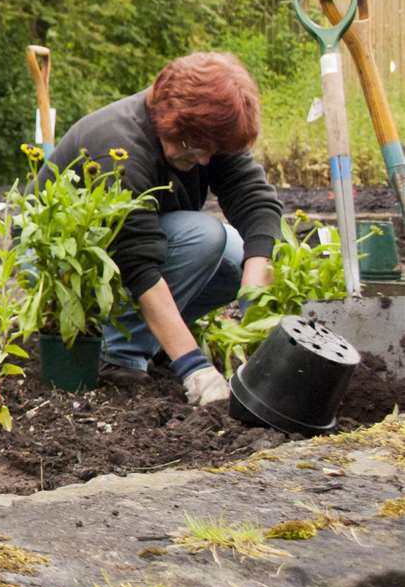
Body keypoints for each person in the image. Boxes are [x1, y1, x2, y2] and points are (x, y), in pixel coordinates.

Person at [39, 52, 283, 406]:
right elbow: (136, 263)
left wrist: (254, 295)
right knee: (205, 237)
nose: (203, 160)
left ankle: (156, 340)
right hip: (62, 264)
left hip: (129, 253)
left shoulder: (204, 133)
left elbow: (255, 199)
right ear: (168, 119)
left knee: (236, 255)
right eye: (194, 148)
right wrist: (194, 367)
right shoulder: (119, 145)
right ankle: (118, 354)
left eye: (211, 152)